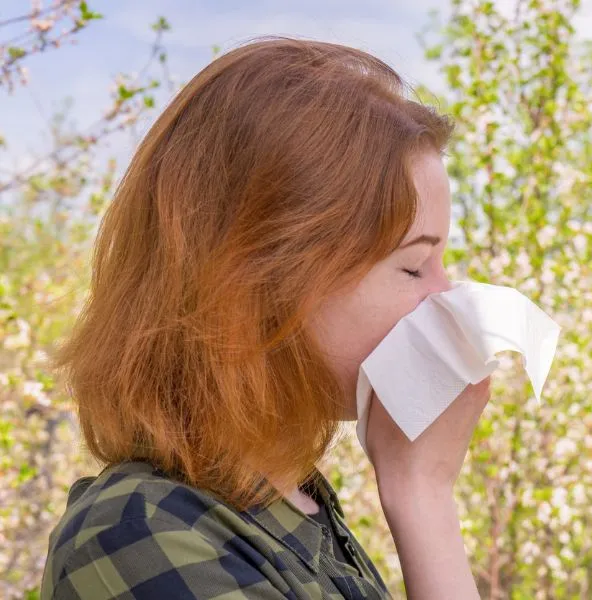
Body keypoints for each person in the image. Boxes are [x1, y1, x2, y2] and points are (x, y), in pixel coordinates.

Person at [41, 36, 491, 600]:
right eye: (413, 267)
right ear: (265, 281)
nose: (446, 297)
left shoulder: (294, 503)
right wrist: (423, 496)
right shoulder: (140, 532)